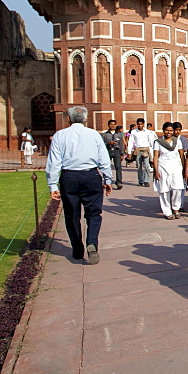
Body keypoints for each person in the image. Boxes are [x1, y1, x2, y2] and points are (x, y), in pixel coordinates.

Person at [45, 106, 113, 264]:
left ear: (68, 119)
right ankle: (91, 242)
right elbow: (103, 159)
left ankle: (77, 248)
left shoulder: (60, 136)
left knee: (71, 216)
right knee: (94, 214)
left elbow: (54, 163)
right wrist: (108, 180)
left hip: (69, 177)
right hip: (91, 176)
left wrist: (53, 185)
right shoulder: (94, 135)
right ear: (86, 119)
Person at [152, 122, 185, 219]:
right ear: (163, 131)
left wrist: (183, 169)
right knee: (164, 189)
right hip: (163, 167)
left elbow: (181, 155)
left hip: (176, 167)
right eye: (167, 130)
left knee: (177, 188)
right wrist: (156, 171)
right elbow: (155, 157)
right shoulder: (158, 142)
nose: (169, 132)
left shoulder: (177, 141)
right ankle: (167, 211)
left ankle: (176, 208)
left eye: (171, 130)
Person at [128, 118, 154, 186]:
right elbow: (131, 141)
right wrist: (129, 152)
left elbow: (151, 143)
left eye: (141, 124)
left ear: (143, 124)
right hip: (138, 150)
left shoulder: (148, 132)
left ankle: (146, 180)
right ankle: (140, 181)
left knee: (146, 165)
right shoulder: (134, 132)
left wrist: (152, 152)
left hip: (146, 150)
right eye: (138, 124)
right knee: (139, 166)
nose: (139, 126)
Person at [100, 120, 124, 189]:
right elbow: (102, 144)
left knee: (118, 167)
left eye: (113, 124)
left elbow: (121, 144)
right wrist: (109, 143)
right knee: (107, 167)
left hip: (117, 151)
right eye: (111, 124)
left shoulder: (119, 134)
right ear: (108, 125)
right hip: (108, 151)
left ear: (115, 125)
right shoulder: (105, 134)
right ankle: (107, 181)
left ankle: (119, 182)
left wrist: (122, 154)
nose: (112, 126)